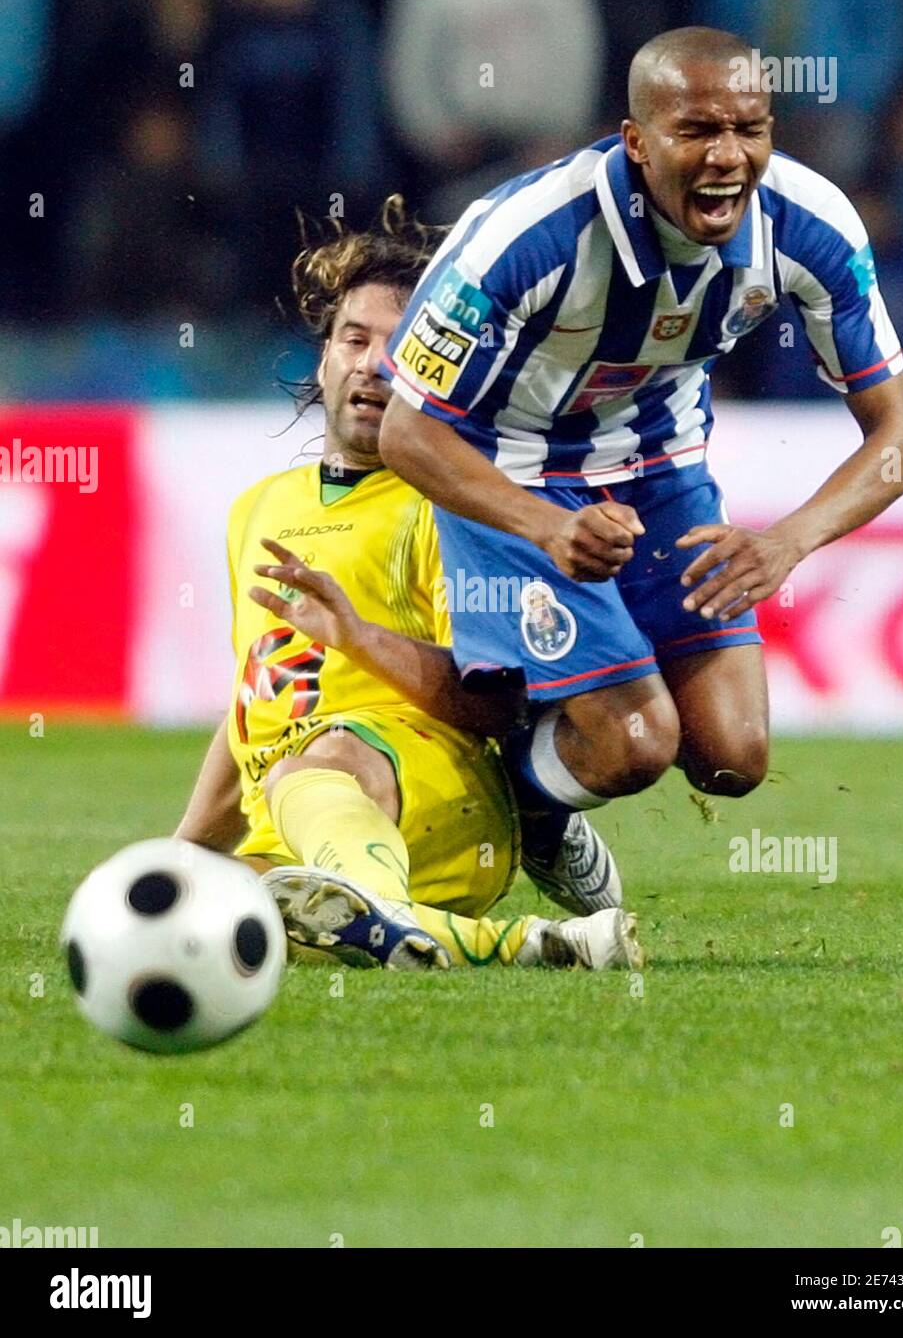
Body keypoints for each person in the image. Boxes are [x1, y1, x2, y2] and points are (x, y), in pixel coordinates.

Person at [377, 26, 903, 873]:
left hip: (662, 471)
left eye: (750, 129)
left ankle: (533, 765)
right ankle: (529, 788)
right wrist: (544, 527)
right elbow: (406, 431)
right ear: (636, 141)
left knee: (733, 758)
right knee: (636, 743)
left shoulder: (809, 227)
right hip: (510, 467)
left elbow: (900, 440)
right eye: (698, 131)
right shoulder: (527, 237)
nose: (729, 157)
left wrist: (788, 540)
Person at [175, 199, 640, 973]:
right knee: (212, 916)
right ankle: (528, 945)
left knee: (320, 760)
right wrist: (184, 853)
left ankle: (372, 902)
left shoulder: (456, 507)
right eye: (353, 339)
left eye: (400, 348)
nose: (372, 364)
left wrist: (359, 638)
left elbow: (498, 705)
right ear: (323, 357)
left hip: (441, 799)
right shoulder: (255, 510)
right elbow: (253, 704)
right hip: (292, 822)